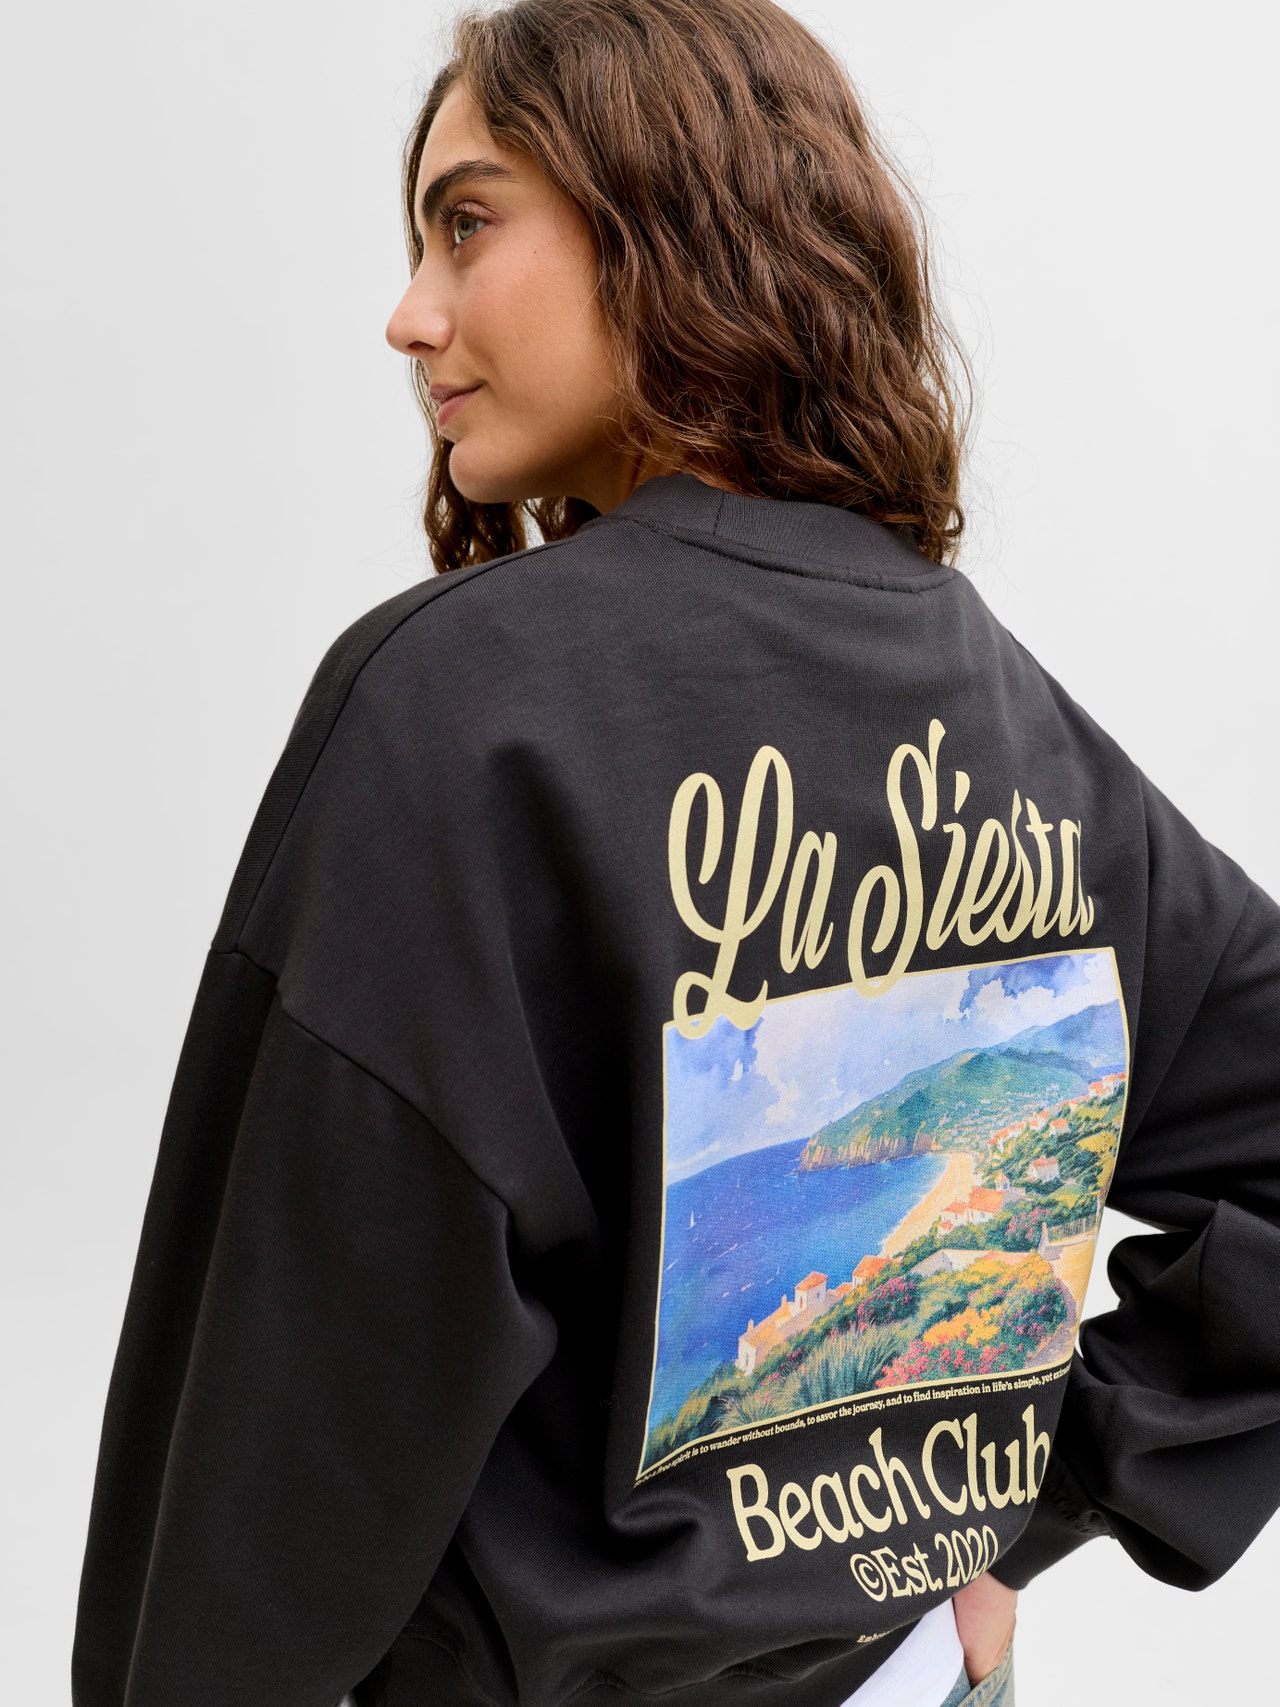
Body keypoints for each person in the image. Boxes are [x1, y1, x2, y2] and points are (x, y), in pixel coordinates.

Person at [71, 2, 1280, 1705]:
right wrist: (1020, 1517)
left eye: (467, 222)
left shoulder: (457, 713)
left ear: (669, 218)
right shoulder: (998, 704)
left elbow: (278, 1441)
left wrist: (1048, 1500)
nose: (409, 312)